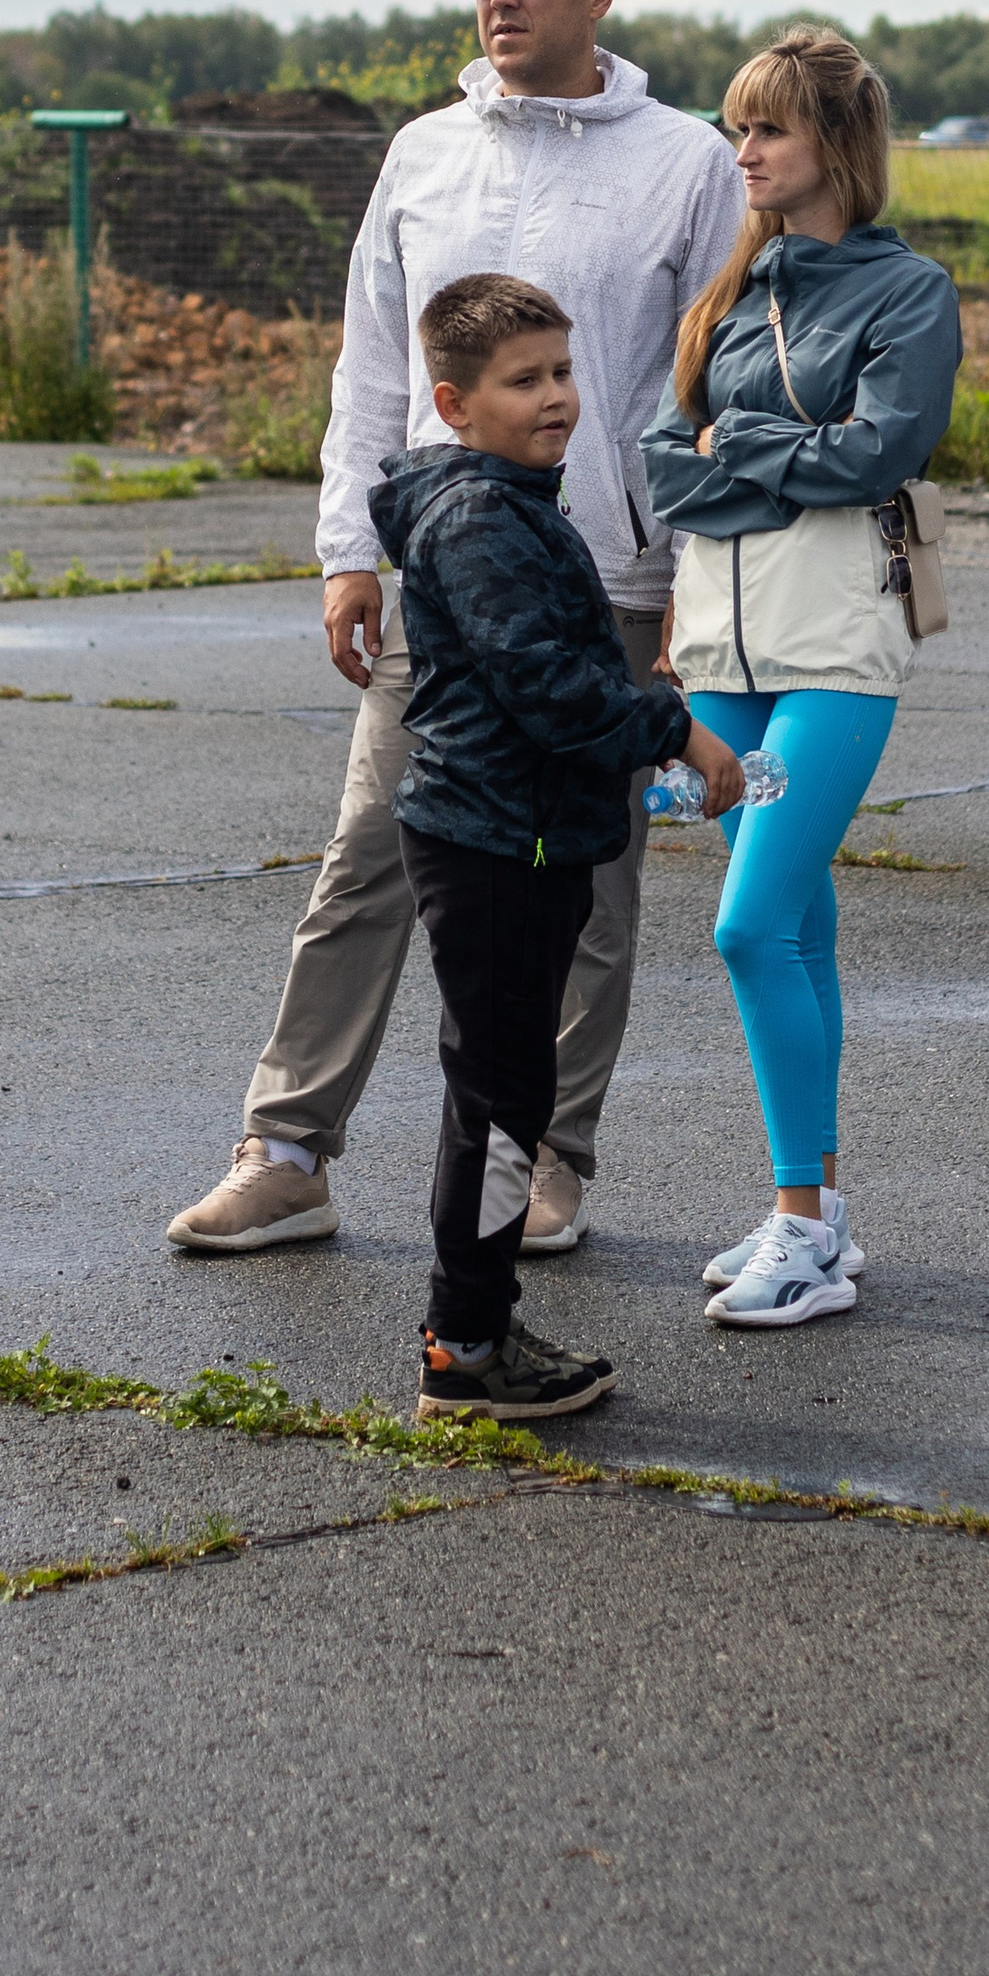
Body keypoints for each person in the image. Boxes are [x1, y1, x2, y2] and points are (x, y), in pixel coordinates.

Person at [167, 0, 744, 1255]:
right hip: (440, 577)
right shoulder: (423, 152)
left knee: (588, 886)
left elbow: (707, 386)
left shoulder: (686, 162)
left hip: (611, 582)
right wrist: (346, 549)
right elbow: (371, 358)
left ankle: (543, 1161)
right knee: (369, 855)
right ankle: (287, 1150)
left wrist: (693, 582)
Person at [373, 273, 745, 1420]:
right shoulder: (480, 520)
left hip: (522, 836)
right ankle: (467, 1346)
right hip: (496, 845)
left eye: (562, 372)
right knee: (500, 1100)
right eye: (522, 380)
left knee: (502, 1090)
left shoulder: (518, 502)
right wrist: (673, 728)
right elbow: (547, 690)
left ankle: (474, 1325)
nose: (555, 397)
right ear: (454, 403)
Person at [641, 27, 961, 1331]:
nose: (745, 150)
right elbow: (662, 466)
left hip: (835, 652)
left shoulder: (908, 291)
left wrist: (742, 444)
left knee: (749, 925)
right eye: (737, 127)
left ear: (836, 141)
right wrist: (780, 449)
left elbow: (880, 452)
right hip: (718, 666)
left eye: (768, 127)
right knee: (797, 920)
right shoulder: (724, 295)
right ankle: (819, 1211)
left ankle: (801, 1226)